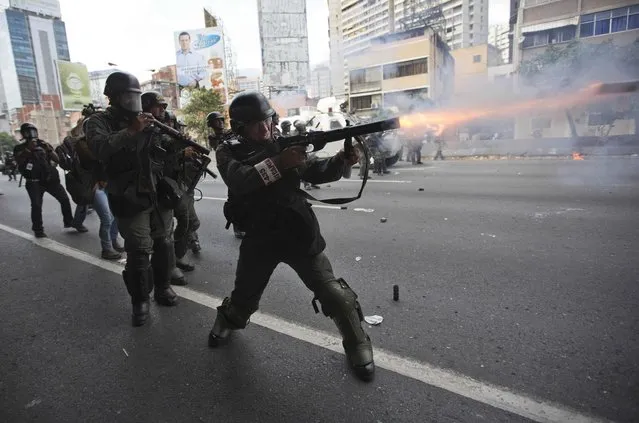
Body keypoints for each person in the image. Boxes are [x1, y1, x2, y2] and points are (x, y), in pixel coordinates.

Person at [208, 91, 376, 382]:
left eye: (268, 120)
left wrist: (341, 160)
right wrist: (280, 163)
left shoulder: (281, 142)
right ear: (240, 128)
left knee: (335, 295)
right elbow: (240, 180)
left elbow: (315, 171)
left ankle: (358, 342)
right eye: (256, 125)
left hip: (297, 230)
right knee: (244, 301)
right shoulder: (228, 150)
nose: (265, 129)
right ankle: (228, 320)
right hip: (259, 236)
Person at [84, 72, 178, 327]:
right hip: (128, 194)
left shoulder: (146, 119)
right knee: (139, 250)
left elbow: (164, 146)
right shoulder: (98, 121)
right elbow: (100, 148)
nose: (132, 101)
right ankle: (140, 301)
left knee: (164, 242)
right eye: (127, 96)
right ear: (112, 97)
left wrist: (179, 147)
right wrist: (132, 130)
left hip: (157, 190)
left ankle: (163, 287)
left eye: (135, 96)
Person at [67, 117, 124, 260]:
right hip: (94, 185)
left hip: (108, 183)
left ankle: (113, 240)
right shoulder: (82, 144)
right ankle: (106, 248)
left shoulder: (105, 141)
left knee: (117, 214)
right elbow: (96, 158)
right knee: (107, 218)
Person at [13, 122, 77, 238]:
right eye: (28, 132)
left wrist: (49, 150)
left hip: (50, 180)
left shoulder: (43, 144)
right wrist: (28, 150)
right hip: (34, 182)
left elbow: (56, 159)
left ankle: (69, 221)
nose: (31, 134)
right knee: (36, 205)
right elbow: (19, 162)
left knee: (64, 199)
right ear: (23, 134)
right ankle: (38, 229)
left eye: (33, 131)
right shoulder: (19, 148)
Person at [207, 110, 245, 239]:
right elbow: (218, 147)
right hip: (228, 168)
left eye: (222, 120)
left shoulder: (232, 132)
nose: (221, 122)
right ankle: (237, 226)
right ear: (211, 124)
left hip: (241, 164)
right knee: (234, 199)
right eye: (217, 121)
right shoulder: (213, 137)